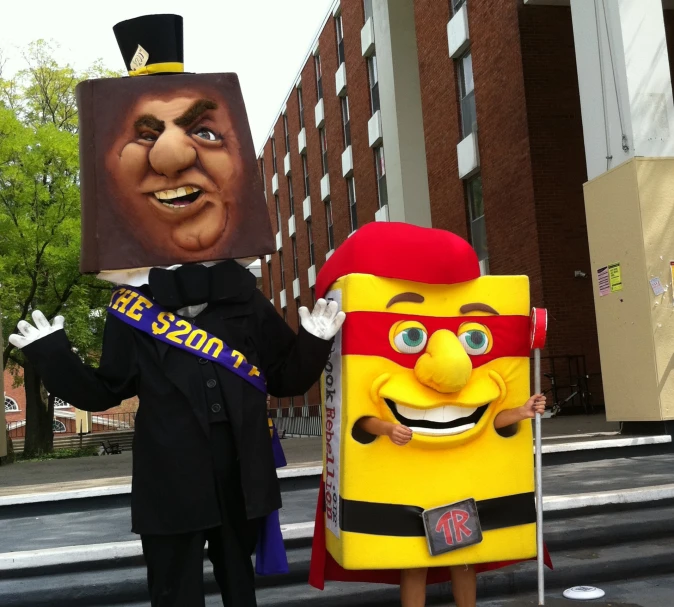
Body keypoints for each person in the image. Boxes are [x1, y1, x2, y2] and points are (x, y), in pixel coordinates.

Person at [9, 14, 346, 607]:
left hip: (240, 471)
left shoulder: (240, 296)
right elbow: (104, 389)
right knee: (175, 591)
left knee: (241, 587)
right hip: (172, 479)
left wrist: (315, 338)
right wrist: (51, 357)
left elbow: (288, 377)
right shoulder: (132, 306)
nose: (170, 156)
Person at [355, 393, 546, 607]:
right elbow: (361, 419)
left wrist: (522, 412)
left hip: (456, 485)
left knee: (463, 561)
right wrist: (388, 429)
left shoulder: (466, 386)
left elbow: (488, 424)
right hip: (410, 485)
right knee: (414, 564)